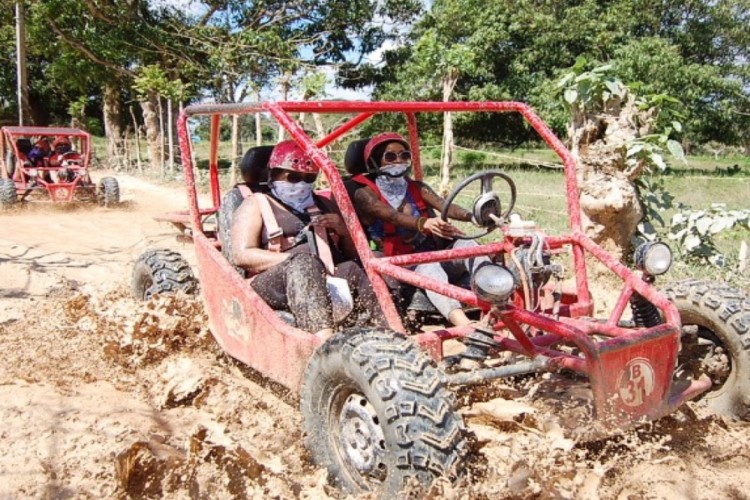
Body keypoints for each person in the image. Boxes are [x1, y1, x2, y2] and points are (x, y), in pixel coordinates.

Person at [231, 140, 386, 338]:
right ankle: (324, 343)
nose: (301, 184)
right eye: (293, 177)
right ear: (274, 174)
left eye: (308, 178)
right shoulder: (256, 204)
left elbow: (352, 254)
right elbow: (242, 255)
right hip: (272, 281)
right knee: (304, 263)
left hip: (322, 274)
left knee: (373, 261)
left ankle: (392, 331)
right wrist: (297, 263)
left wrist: (342, 231)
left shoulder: (322, 203)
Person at [351, 132, 487, 327]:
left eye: (404, 155)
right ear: (375, 161)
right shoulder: (364, 193)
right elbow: (390, 215)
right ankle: (463, 324)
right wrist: (423, 223)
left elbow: (445, 205)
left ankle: (496, 300)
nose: (398, 160)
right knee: (428, 266)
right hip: (397, 262)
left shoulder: (416, 187)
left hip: (428, 253)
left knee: (468, 245)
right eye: (390, 156)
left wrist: (472, 216)